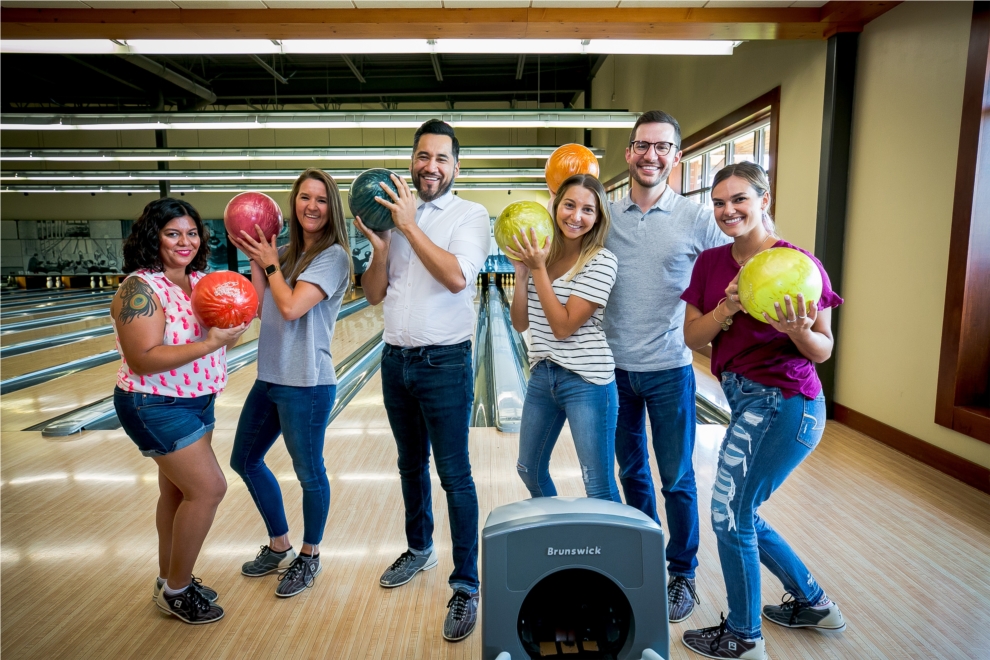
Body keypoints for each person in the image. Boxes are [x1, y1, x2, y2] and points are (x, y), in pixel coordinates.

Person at [679, 162, 845, 660]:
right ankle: (815, 605)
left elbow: (823, 350)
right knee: (741, 512)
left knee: (730, 514)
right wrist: (727, 308)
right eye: (720, 202)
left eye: (739, 200)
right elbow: (693, 338)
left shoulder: (799, 264)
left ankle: (745, 636)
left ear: (764, 200)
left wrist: (796, 329)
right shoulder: (710, 264)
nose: (728, 211)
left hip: (787, 404)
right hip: (748, 400)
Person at [354, 119, 489, 642]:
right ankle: (418, 549)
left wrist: (409, 226)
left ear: (456, 166)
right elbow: (371, 294)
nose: (430, 166)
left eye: (441, 159)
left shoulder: (469, 215)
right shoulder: (390, 217)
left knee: (455, 475)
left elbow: (457, 276)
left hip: (445, 364)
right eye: (422, 156)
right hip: (396, 361)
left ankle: (466, 584)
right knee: (410, 464)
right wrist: (382, 247)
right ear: (412, 160)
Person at [603, 110, 730, 622]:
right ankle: (643, 555)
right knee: (631, 470)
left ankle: (683, 574)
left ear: (676, 157)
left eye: (662, 147)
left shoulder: (698, 218)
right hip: (611, 372)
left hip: (669, 369)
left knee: (677, 477)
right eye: (641, 146)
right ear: (629, 153)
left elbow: (739, 263)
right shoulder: (607, 216)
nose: (650, 155)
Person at [111, 197, 249, 625]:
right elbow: (143, 359)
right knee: (208, 490)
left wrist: (231, 333)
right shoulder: (139, 288)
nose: (184, 241)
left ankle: (169, 576)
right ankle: (177, 590)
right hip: (153, 404)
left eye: (191, 233)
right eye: (173, 233)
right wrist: (211, 343)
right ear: (155, 238)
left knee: (176, 492)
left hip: (197, 400)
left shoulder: (202, 281)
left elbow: (225, 339)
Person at [228, 169, 352, 599]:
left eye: (320, 199)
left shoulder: (334, 257)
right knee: (244, 460)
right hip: (270, 377)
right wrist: (257, 262)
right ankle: (279, 543)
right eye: (304, 197)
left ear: (330, 207)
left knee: (309, 472)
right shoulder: (283, 252)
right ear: (293, 203)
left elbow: (294, 306)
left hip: (308, 384)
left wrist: (269, 264)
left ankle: (310, 554)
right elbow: (266, 308)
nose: (312, 206)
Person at [506, 173, 621, 502]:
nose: (576, 216)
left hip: (587, 382)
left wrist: (538, 269)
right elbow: (519, 323)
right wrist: (523, 272)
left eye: (588, 210)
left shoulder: (601, 261)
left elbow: (563, 327)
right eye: (569, 205)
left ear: (598, 218)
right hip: (543, 376)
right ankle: (556, 533)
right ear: (556, 207)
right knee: (529, 468)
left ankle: (611, 553)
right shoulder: (542, 256)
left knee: (597, 483)